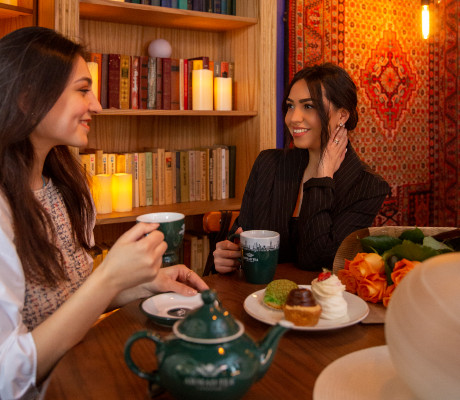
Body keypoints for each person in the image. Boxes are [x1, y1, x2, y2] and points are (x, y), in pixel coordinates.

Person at [0, 26, 208, 399]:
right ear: (28, 98)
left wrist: (138, 285)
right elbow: (6, 375)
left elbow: (68, 305)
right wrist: (109, 278)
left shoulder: (60, 185)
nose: (96, 105)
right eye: (83, 90)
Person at [214, 63, 390, 273]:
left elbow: (317, 260)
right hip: (257, 298)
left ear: (342, 116)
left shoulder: (368, 186)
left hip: (321, 302)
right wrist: (228, 256)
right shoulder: (268, 164)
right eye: (290, 106)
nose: (293, 118)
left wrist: (323, 175)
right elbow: (241, 236)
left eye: (308, 106)